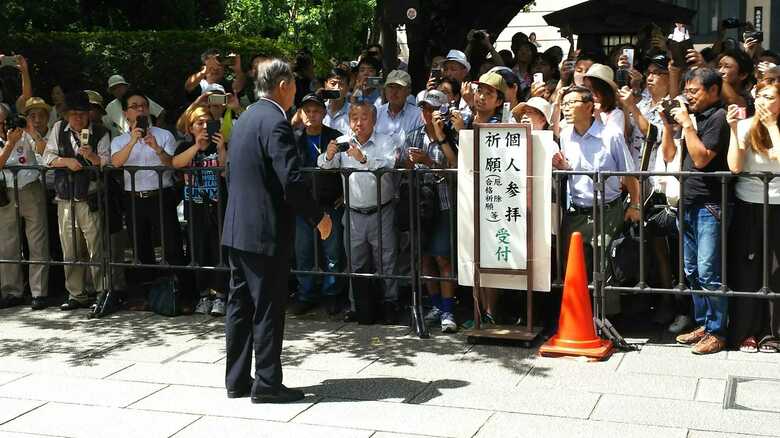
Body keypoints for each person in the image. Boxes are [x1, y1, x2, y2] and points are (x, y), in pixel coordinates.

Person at [222, 58, 332, 403]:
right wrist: (319, 217)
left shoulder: (245, 118)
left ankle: (237, 380)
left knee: (240, 305)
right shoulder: (275, 122)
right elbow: (292, 179)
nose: (296, 92)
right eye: (294, 86)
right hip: (264, 232)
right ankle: (267, 383)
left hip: (238, 229)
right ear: (283, 85)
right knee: (267, 306)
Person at [552, 86, 641, 316]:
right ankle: (577, 317)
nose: (566, 108)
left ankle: (604, 320)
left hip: (607, 210)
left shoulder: (611, 135)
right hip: (576, 211)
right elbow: (573, 167)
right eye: (564, 103)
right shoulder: (565, 134)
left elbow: (629, 173)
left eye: (572, 103)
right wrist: (564, 168)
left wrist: (634, 204)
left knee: (603, 268)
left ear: (590, 106)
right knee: (573, 266)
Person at [664, 68, 731, 355]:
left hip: (710, 204)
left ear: (714, 91)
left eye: (694, 91)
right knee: (692, 270)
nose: (688, 96)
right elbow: (670, 155)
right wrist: (670, 124)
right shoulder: (693, 117)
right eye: (687, 91)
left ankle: (718, 331)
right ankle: (704, 324)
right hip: (688, 202)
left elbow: (703, 159)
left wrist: (688, 126)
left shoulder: (718, 117)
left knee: (708, 271)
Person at [318, 101, 401, 324]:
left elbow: (389, 164)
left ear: (374, 120)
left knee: (386, 260)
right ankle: (357, 306)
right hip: (353, 212)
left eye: (364, 117)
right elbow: (324, 166)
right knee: (355, 261)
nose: (359, 123)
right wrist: (328, 154)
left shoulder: (386, 140)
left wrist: (363, 158)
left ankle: (390, 303)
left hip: (381, 210)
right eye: (354, 117)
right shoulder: (344, 141)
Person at [110, 89, 189, 304]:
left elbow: (172, 164)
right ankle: (146, 297)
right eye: (134, 106)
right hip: (134, 197)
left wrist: (156, 148)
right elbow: (116, 162)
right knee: (140, 247)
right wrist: (133, 141)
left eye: (143, 105)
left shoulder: (164, 135)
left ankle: (181, 295)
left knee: (172, 246)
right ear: (126, 113)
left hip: (161, 195)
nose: (140, 109)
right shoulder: (119, 140)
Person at [42, 91, 110, 310]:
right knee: (69, 249)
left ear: (89, 114)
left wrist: (91, 157)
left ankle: (101, 292)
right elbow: (48, 158)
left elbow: (107, 164)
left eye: (81, 114)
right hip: (64, 198)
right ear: (66, 115)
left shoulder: (100, 132)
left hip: (90, 197)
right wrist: (66, 161)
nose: (77, 118)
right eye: (72, 114)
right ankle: (76, 294)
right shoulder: (57, 129)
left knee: (95, 247)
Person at [725, 82, 780, 353]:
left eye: (769, 97)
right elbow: (734, 166)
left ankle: (771, 332)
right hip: (749, 203)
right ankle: (745, 330)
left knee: (776, 269)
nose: (762, 102)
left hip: (778, 205)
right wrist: (735, 129)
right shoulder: (746, 125)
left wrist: (771, 126)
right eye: (759, 96)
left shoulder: (775, 128)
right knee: (748, 268)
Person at [399, 90, 458, 332]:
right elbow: (401, 164)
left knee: (442, 257)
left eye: (431, 109)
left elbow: (456, 169)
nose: (426, 114)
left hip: (444, 204)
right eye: (423, 108)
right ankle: (435, 306)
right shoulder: (413, 135)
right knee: (423, 258)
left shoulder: (452, 137)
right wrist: (410, 163)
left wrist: (430, 162)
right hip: (420, 204)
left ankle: (448, 310)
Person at [288, 93, 345, 316]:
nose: (312, 115)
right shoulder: (293, 139)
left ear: (324, 113)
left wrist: (344, 193)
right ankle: (306, 295)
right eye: (307, 111)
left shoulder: (335, 137)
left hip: (329, 204)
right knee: (303, 253)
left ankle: (332, 295)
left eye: (316, 111)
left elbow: (345, 166)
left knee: (333, 254)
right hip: (303, 206)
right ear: (301, 114)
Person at [173, 106, 228, 317]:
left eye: (208, 122)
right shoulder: (186, 146)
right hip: (194, 207)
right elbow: (176, 164)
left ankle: (221, 295)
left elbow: (224, 170)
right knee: (198, 250)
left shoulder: (219, 146)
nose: (204, 126)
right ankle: (203, 295)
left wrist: (221, 147)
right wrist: (197, 146)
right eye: (199, 123)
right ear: (190, 127)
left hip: (218, 207)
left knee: (219, 251)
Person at [0, 99, 50, 310]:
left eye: (4, 120)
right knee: (7, 243)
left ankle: (39, 292)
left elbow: (44, 152)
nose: (3, 124)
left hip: (30, 187)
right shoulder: (10, 138)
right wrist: (10, 143)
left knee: (37, 241)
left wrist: (30, 130)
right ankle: (11, 291)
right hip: (6, 191)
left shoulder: (25, 132)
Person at [375, 70, 422, 139]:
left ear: (408, 91)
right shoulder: (377, 113)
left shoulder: (418, 115)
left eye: (399, 87)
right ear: (385, 89)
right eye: (391, 86)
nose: (394, 91)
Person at [322, 68, 351, 135]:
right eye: (333, 83)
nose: (337, 87)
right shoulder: (320, 109)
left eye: (341, 84)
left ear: (347, 88)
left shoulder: (353, 112)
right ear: (326, 85)